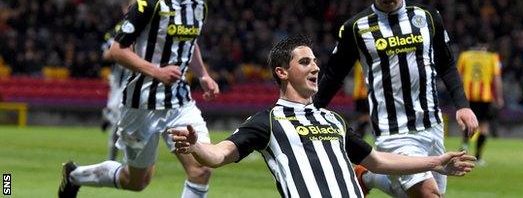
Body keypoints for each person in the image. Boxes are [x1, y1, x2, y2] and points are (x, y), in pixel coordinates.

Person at [169, 34, 476, 197]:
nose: (316, 67)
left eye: (315, 62)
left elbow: (379, 161)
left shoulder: (333, 120)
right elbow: (219, 155)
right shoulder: (268, 121)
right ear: (282, 72)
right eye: (305, 62)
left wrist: (436, 162)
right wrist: (195, 146)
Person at [58, 0, 220, 198]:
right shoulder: (148, 2)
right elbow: (116, 50)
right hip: (141, 104)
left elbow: (190, 42)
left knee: (201, 170)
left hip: (180, 104)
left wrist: (203, 75)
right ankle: (74, 175)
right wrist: (156, 71)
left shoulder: (199, 5)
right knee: (137, 181)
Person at [313, 0, 478, 197]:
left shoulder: (428, 17)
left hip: (432, 126)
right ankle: (372, 173)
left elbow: (446, 64)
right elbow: (333, 77)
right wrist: (308, 113)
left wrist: (462, 106)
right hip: (393, 132)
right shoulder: (355, 29)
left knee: (413, 193)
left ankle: (368, 175)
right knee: (428, 195)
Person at [100, 0, 140, 161]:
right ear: (126, 9)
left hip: (139, 82)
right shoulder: (119, 29)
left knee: (132, 125)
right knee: (119, 123)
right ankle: (112, 161)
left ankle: (130, 164)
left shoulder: (149, 30)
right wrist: (123, 52)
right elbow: (106, 55)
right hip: (121, 83)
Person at [457, 43, 504, 166]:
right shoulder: (492, 57)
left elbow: (458, 77)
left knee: (467, 122)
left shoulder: (464, 56)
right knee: (484, 126)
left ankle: (464, 148)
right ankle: (478, 157)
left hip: (467, 96)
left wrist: (458, 96)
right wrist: (499, 97)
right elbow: (497, 78)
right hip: (485, 97)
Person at [352, 61, 371, 137]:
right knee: (366, 117)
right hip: (363, 95)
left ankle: (357, 133)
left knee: (364, 117)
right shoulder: (362, 62)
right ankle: (356, 133)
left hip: (360, 95)